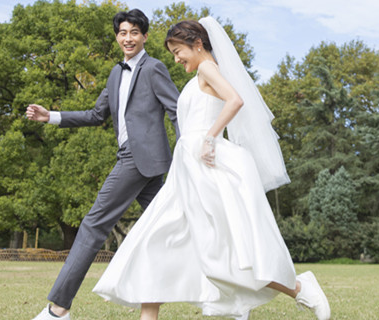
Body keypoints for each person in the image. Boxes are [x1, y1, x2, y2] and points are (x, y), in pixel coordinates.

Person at [91, 17, 331, 320]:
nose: (176, 59)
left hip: (204, 170)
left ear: (198, 44)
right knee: (154, 242)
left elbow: (235, 100)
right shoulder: (198, 78)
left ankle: (300, 288)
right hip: (185, 173)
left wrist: (210, 137)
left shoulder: (207, 68)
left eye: (178, 51)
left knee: (226, 254)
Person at [25, 9, 179, 320]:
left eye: (134, 32)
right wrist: (51, 116)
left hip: (138, 159)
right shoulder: (114, 73)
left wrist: (187, 155)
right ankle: (240, 296)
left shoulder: (154, 68)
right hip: (142, 163)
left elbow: (177, 110)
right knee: (169, 232)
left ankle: (58, 310)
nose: (128, 38)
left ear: (145, 36)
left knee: (93, 225)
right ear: (117, 37)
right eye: (123, 32)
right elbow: (97, 115)